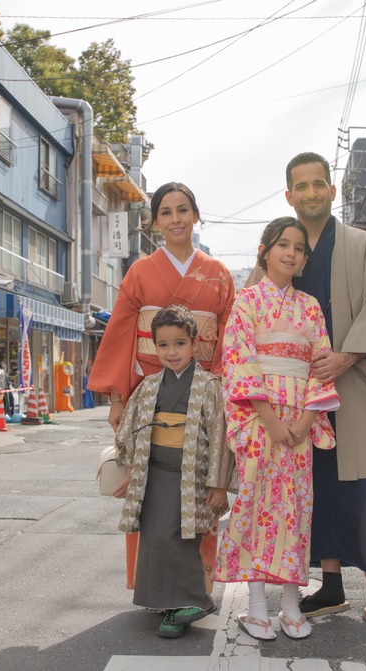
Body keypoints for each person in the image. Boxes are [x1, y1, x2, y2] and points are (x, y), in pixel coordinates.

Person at [250, 152, 366, 635]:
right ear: (289, 196)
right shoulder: (284, 246)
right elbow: (252, 319)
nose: (311, 193)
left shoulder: (363, 246)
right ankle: (331, 584)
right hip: (295, 397)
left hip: (355, 383)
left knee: (365, 484)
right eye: (301, 186)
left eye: (319, 184)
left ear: (332, 190)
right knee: (312, 486)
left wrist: (347, 357)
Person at [87, 181, 236, 590]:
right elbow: (120, 333)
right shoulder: (140, 271)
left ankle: (198, 582)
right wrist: (118, 397)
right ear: (155, 222)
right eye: (166, 212)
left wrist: (219, 389)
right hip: (149, 390)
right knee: (149, 487)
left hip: (202, 392)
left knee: (200, 484)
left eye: (183, 210)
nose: (175, 219)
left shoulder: (219, 274)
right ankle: (151, 580)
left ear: (196, 215)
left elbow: (229, 337)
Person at [217, 217, 340, 641]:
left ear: (304, 260)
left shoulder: (310, 307)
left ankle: (290, 606)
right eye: (283, 244)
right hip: (259, 420)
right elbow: (239, 362)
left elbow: (321, 365)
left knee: (296, 509)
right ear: (265, 251)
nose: (291, 253)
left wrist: (305, 421)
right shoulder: (247, 301)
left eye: (299, 248)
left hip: (300, 422)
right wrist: (269, 419)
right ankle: (256, 608)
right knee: (255, 505)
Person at [112, 305, 233, 639]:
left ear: (194, 343)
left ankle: (193, 601)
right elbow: (133, 430)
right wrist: (131, 472)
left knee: (179, 535)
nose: (171, 352)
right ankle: (167, 601)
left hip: (190, 473)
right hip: (154, 471)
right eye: (163, 345)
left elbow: (220, 436)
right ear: (154, 347)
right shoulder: (150, 385)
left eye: (180, 343)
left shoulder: (209, 386)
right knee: (154, 535)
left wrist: (218, 483)